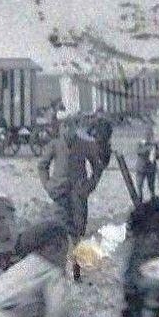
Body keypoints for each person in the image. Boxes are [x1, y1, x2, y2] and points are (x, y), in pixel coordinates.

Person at [36, 116, 105, 280]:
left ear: (77, 126)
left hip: (78, 194)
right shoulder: (54, 145)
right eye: (64, 126)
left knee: (78, 232)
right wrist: (47, 185)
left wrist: (90, 185)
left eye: (71, 125)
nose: (68, 129)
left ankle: (77, 271)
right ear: (60, 128)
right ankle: (57, 271)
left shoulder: (85, 145)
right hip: (59, 193)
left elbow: (97, 166)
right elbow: (42, 165)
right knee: (59, 231)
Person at [134, 124, 159, 200]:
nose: (149, 135)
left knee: (151, 187)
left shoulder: (154, 145)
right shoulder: (141, 143)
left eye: (150, 134)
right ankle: (139, 201)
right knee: (139, 186)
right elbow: (138, 152)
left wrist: (156, 153)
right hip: (141, 168)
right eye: (147, 134)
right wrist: (147, 149)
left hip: (151, 169)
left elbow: (158, 156)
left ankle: (152, 199)